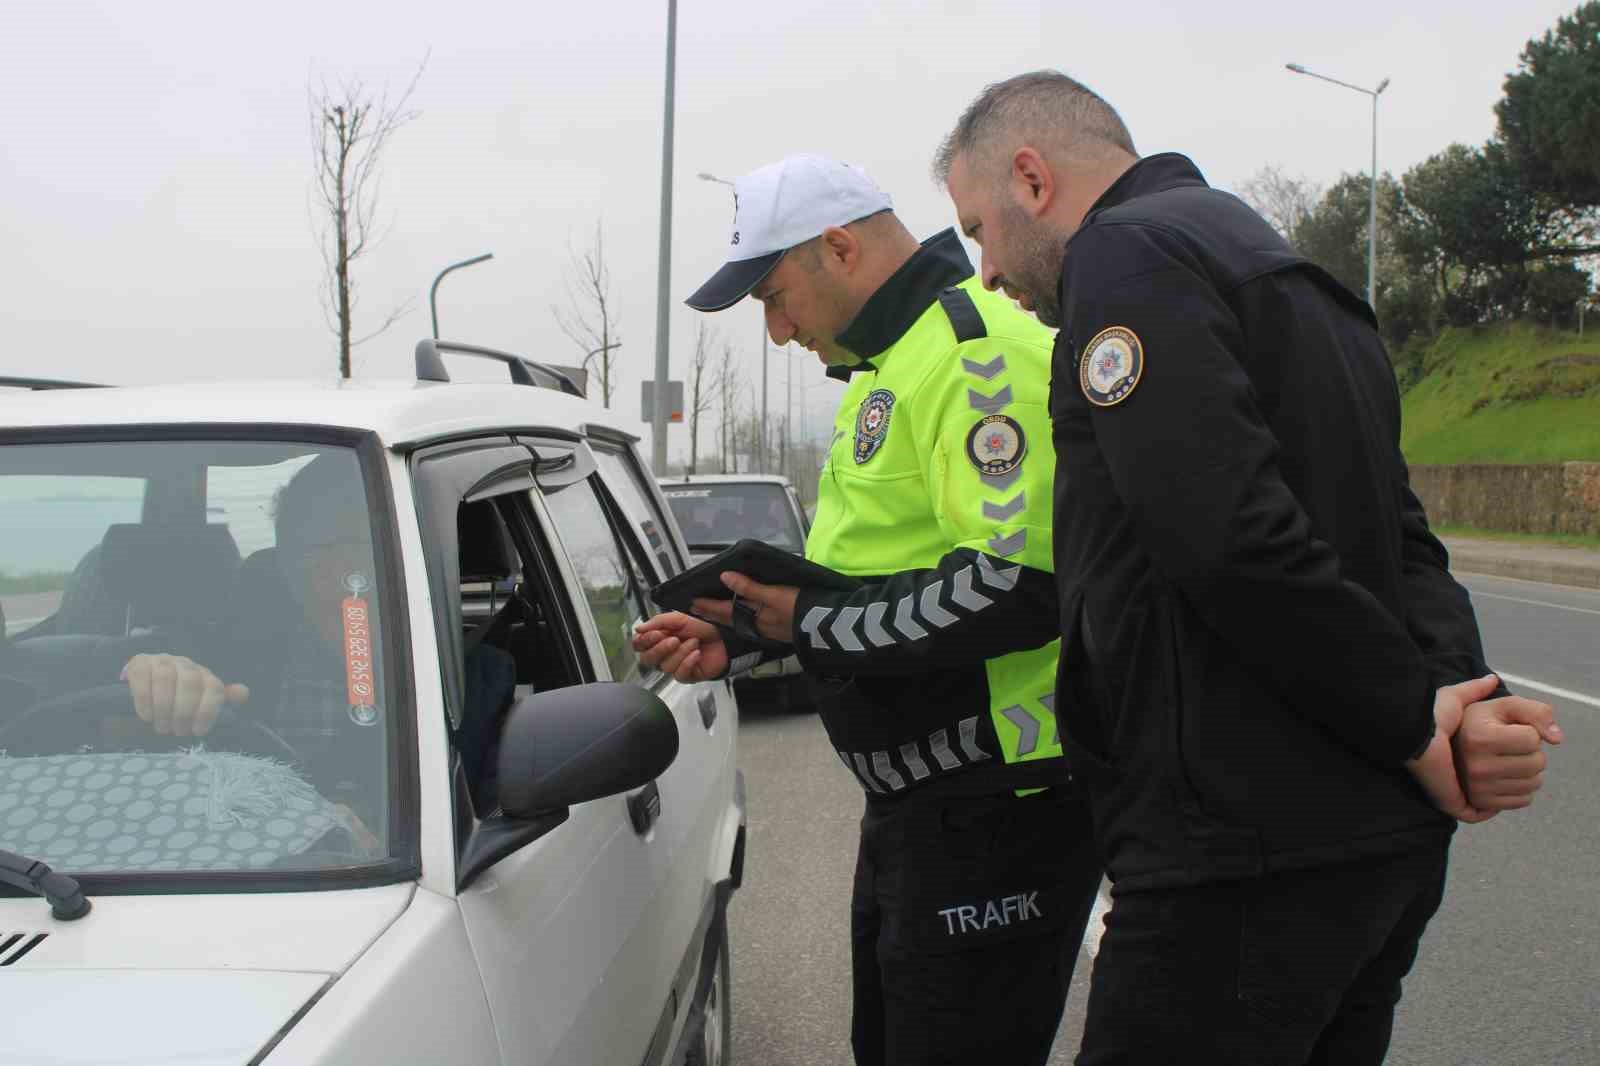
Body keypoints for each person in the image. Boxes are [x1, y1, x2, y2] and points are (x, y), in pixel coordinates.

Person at [934, 71, 1563, 1065]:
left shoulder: (1127, 256)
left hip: (1238, 857)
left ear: (1030, 177)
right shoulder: (1297, 279)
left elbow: (1226, 535)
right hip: (1370, 854)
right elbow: (1404, 540)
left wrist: (1417, 718)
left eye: (977, 229)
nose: (985, 272)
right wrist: (1452, 694)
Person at [635, 154, 1100, 1066]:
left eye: (774, 296)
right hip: (920, 807)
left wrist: (800, 624)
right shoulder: (889, 363)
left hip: (1000, 806)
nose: (775, 332)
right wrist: (745, 631)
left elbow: (1021, 586)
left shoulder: (973, 355)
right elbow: (878, 578)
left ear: (839, 248)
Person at [119, 453, 516, 821]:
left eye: (362, 544)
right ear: (286, 567)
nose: (342, 571)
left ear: (403, 559)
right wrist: (151, 678)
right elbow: (147, 772)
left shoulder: (472, 681)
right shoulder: (223, 662)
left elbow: (489, 843)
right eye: (320, 548)